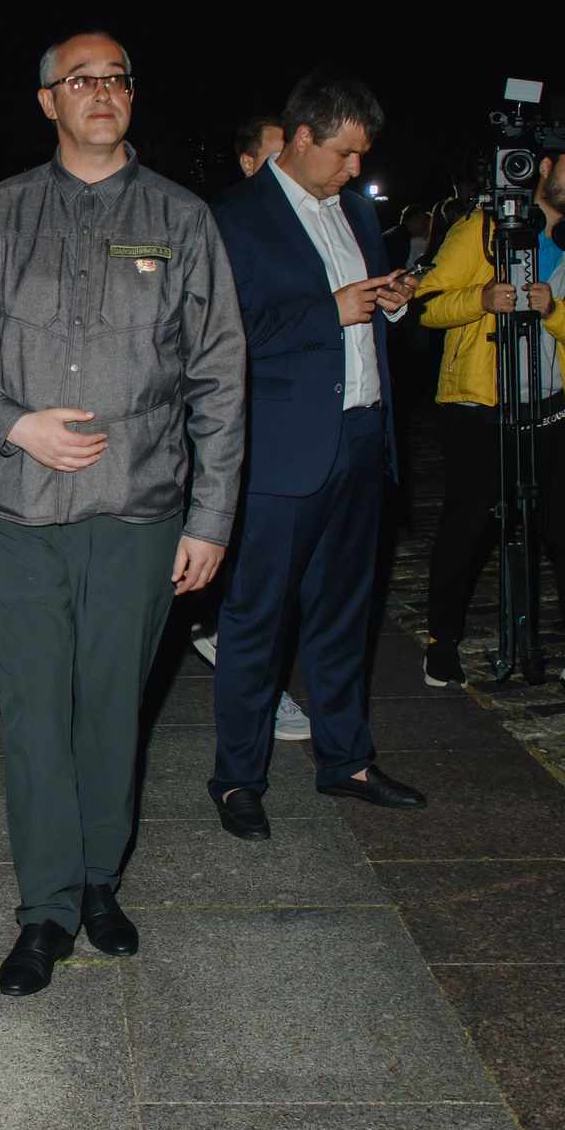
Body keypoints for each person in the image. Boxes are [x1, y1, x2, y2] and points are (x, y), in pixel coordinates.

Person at [0, 31, 245, 997]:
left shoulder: (182, 218)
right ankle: (46, 907)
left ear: (131, 97)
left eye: (116, 79)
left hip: (139, 506)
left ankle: (102, 880)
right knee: (33, 712)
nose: (100, 93)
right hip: (15, 506)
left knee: (111, 707)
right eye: (80, 80)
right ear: (48, 101)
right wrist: (14, 423)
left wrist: (212, 516)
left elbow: (220, 374)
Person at [207, 69, 425, 844]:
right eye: (344, 154)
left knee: (345, 614)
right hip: (283, 451)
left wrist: (389, 302)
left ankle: (347, 759)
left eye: (362, 155)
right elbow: (221, 336)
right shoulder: (233, 216)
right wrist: (326, 311)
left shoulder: (355, 213)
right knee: (256, 620)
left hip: (361, 437)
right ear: (301, 139)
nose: (355, 169)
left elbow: (361, 307)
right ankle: (237, 776)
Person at [414, 137, 565, 699]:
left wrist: (554, 310)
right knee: (466, 528)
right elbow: (427, 303)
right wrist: (482, 299)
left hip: (559, 411)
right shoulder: (482, 228)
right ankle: (441, 646)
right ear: (544, 167)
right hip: (481, 408)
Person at [181, 112, 307, 744]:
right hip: (223, 422)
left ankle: (231, 647)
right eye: (277, 155)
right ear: (251, 163)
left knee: (260, 573)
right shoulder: (223, 223)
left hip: (283, 427)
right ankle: (219, 639)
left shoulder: (309, 223)